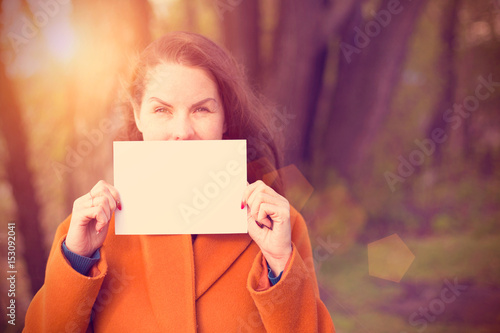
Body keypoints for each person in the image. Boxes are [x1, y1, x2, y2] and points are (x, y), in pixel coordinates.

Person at [24, 31, 335, 332]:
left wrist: (280, 265)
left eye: (201, 109)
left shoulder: (281, 227)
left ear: (224, 117)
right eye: (162, 110)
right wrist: (77, 262)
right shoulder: (88, 234)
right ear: (138, 115)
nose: (182, 131)